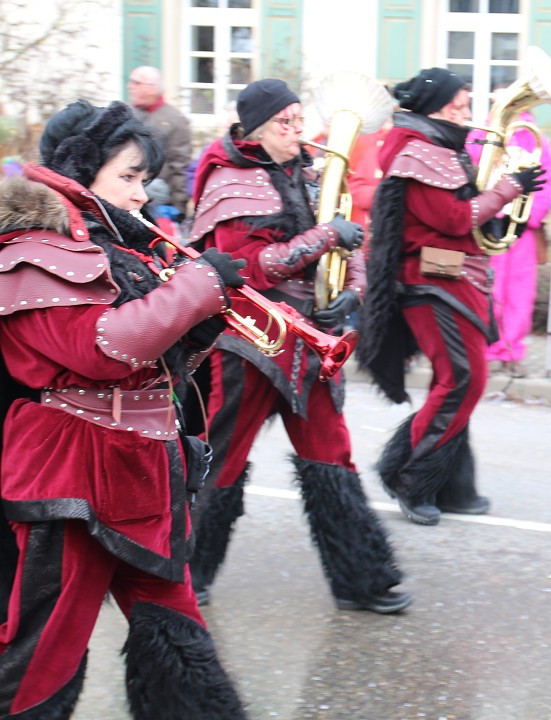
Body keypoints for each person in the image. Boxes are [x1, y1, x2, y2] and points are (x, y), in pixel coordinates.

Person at [0, 100, 247, 718]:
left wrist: (196, 325)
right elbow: (103, 349)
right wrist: (196, 289)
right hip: (70, 475)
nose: (143, 192)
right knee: (44, 651)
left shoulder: (119, 248)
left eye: (145, 179)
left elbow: (152, 366)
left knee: (180, 636)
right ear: (83, 171)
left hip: (142, 469)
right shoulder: (31, 248)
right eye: (129, 177)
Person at [188, 78, 412, 613]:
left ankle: (363, 579)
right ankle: (184, 572)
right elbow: (250, 267)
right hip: (251, 343)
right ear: (256, 129)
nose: (297, 131)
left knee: (332, 456)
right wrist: (328, 237)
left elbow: (348, 238)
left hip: (311, 343)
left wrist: (353, 293)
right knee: (223, 459)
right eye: (283, 123)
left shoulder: (311, 171)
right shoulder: (229, 181)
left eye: (296, 119)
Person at [357, 67, 546, 526]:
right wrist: (508, 189)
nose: (467, 112)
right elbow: (456, 218)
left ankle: (450, 483)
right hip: (431, 281)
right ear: (437, 106)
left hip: (456, 278)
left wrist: (505, 198)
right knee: (461, 380)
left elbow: (470, 221)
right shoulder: (417, 152)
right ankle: (410, 475)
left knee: (461, 380)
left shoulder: (438, 148)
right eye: (460, 104)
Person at [466, 95, 551, 378]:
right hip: (488, 220)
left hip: (519, 224)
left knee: (519, 292)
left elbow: (547, 178)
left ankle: (511, 351)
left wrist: (531, 216)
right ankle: (485, 350)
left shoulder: (533, 137)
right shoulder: (480, 134)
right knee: (486, 289)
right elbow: (470, 169)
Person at [128, 66, 193, 219]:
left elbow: (180, 165)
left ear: (152, 88)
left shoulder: (175, 120)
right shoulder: (127, 114)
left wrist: (179, 208)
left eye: (136, 83)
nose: (130, 87)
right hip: (127, 200)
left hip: (159, 203)